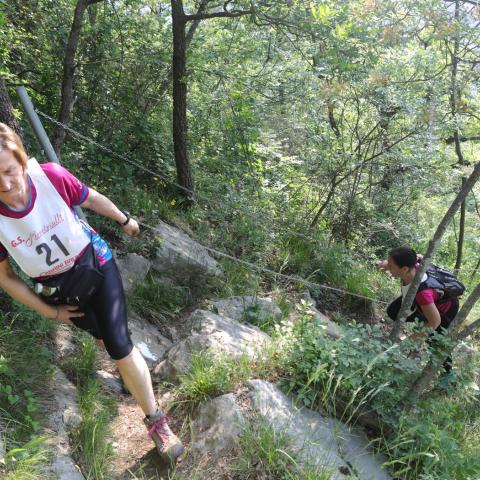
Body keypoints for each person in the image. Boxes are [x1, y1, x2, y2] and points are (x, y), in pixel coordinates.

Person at [0, 122, 184, 462]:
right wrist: (47, 311)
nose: (6, 184)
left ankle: (157, 421)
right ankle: (128, 372)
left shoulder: (50, 177)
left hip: (95, 264)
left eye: (9, 171)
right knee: (100, 334)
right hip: (59, 292)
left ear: (21, 160)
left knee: (117, 342)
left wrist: (123, 218)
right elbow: (5, 277)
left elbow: (89, 197)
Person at [378, 245, 459, 380]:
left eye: (391, 265)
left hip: (444, 310)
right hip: (423, 302)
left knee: (434, 340)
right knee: (393, 311)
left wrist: (410, 340)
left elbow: (435, 321)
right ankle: (422, 319)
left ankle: (448, 374)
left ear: (404, 269)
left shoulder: (422, 294)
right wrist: (388, 265)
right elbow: (417, 256)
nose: (389, 267)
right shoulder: (416, 263)